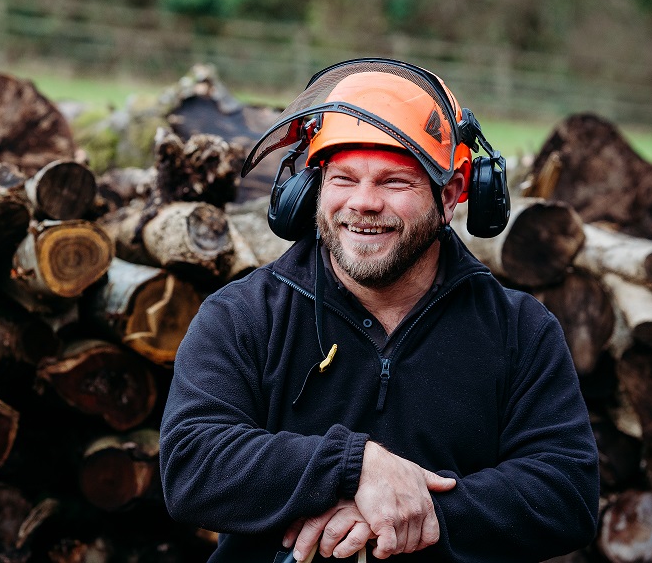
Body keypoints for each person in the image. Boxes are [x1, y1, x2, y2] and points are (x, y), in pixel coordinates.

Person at [159, 58, 599, 562]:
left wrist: (417, 512)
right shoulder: (242, 316)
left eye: (394, 182)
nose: (363, 203)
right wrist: (354, 467)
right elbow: (192, 467)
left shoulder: (520, 330)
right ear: (313, 188)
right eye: (344, 178)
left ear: (452, 193)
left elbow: (567, 493)